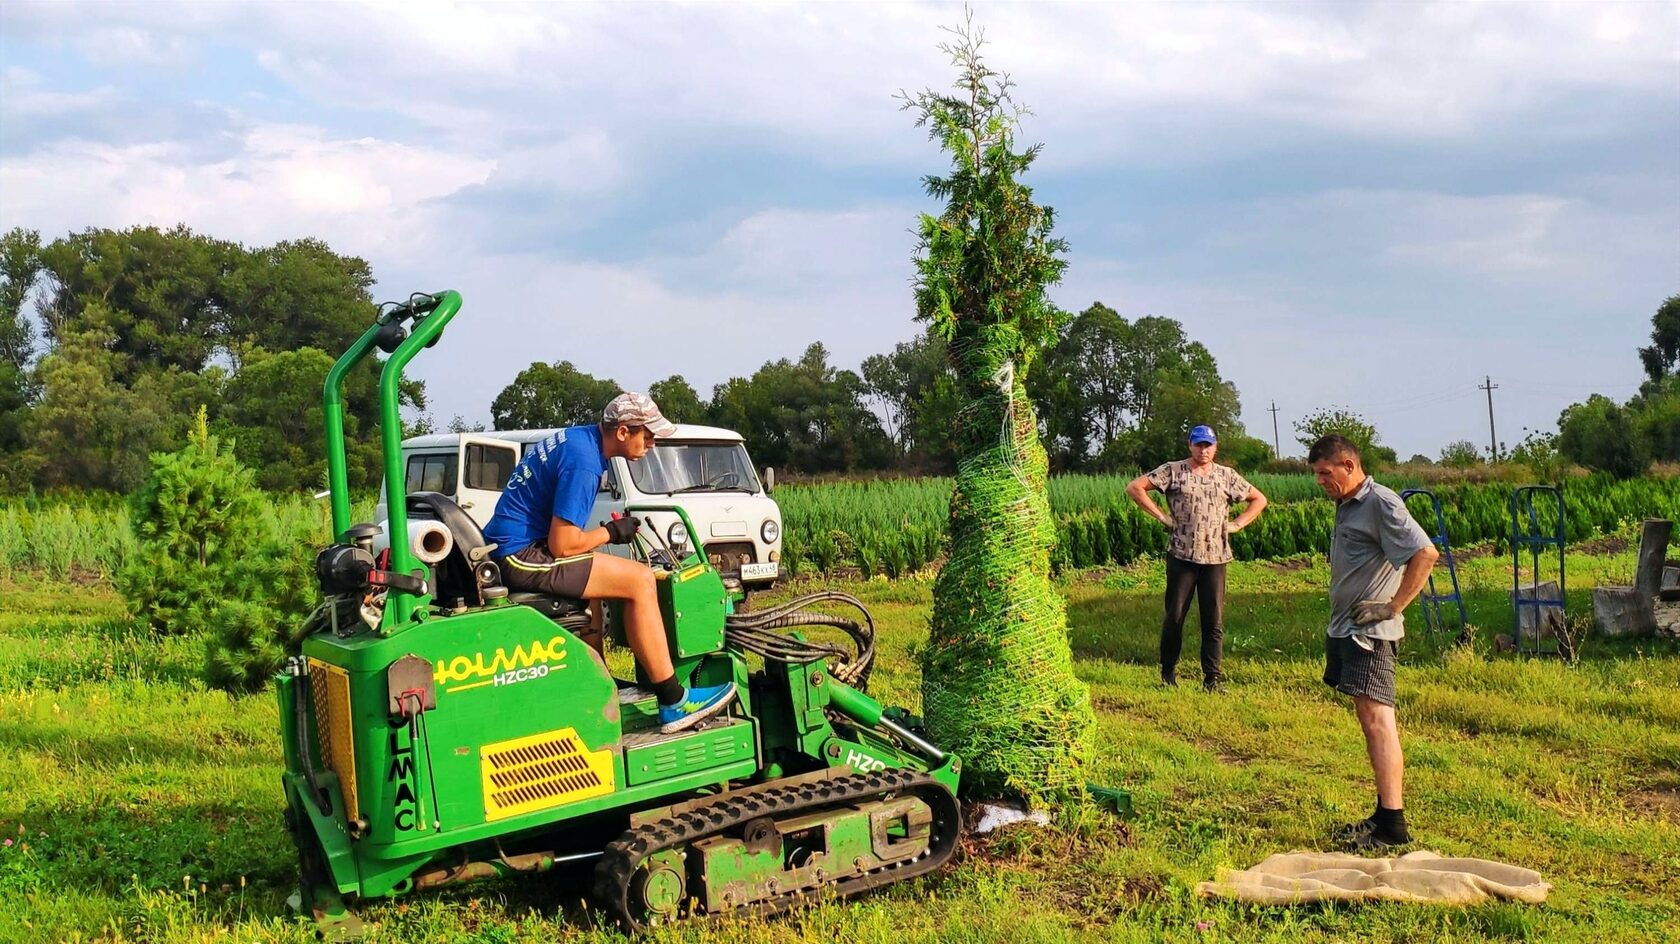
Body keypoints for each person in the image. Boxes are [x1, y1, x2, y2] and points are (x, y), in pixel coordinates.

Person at [483, 392, 736, 734]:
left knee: (598, 582)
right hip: (519, 556)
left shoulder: (578, 440)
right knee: (640, 580)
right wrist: (610, 532)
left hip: (515, 547)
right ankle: (674, 700)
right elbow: (564, 544)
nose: (652, 444)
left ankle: (597, 683)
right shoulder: (585, 463)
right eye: (647, 435)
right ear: (622, 432)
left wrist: (605, 537)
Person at [1308, 433, 1439, 851]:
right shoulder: (1347, 505)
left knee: (1380, 722)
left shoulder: (1381, 502)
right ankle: (1383, 815)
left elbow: (1425, 554)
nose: (1320, 482)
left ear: (1349, 465)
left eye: (1325, 473)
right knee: (1368, 719)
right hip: (1348, 629)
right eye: (1316, 475)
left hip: (1371, 635)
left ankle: (1392, 828)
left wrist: (1392, 607)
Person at [1126, 425, 1268, 692]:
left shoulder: (1227, 476)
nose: (1204, 450)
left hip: (1215, 559)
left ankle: (1212, 679)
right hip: (1182, 555)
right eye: (1199, 445)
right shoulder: (1173, 471)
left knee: (1213, 620)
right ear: (1190, 445)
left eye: (1209, 445)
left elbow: (1259, 499)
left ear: (1216, 447)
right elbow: (1135, 488)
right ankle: (1168, 676)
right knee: (1175, 616)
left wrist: (1237, 524)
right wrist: (1161, 517)